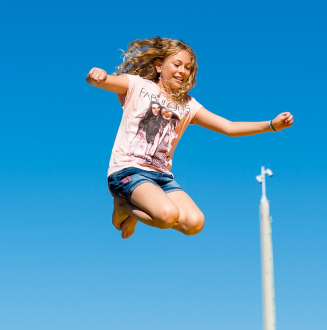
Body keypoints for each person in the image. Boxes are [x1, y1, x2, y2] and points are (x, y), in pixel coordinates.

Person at [86, 37, 294, 239]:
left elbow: (229, 127)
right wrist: (97, 75)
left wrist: (271, 125)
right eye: (177, 64)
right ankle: (123, 205)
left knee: (194, 223)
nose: (182, 71)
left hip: (161, 177)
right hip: (127, 170)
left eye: (188, 68)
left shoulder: (189, 105)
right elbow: (99, 80)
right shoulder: (138, 86)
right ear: (159, 66)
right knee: (167, 216)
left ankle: (132, 208)